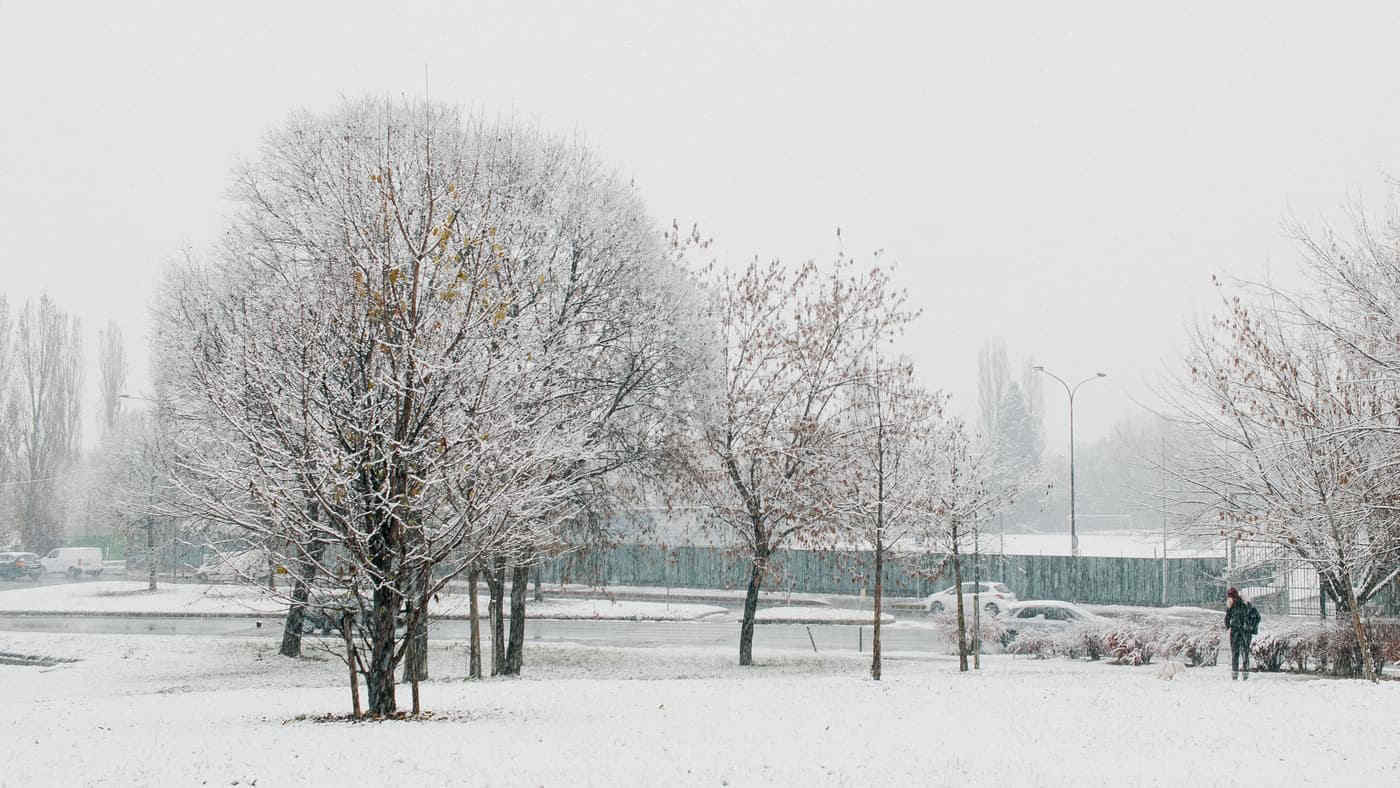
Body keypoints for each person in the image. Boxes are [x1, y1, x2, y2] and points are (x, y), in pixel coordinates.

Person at [1224, 587, 1260, 680]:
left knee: (1244, 653)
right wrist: (1228, 626)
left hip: (1244, 632)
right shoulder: (1233, 606)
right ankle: (1236, 674)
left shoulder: (1246, 604)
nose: (1232, 598)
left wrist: (1251, 627)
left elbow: (1257, 617)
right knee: (1237, 653)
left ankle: (1244, 674)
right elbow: (1227, 618)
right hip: (1238, 632)